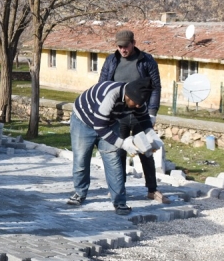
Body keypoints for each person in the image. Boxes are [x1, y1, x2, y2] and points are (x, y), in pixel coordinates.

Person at [66, 78, 160, 215]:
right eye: (137, 103)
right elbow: (99, 127)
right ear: (128, 96)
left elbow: (144, 119)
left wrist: (151, 137)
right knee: (81, 159)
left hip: (109, 123)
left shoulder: (138, 101)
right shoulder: (110, 95)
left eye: (141, 104)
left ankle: (120, 202)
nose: (139, 106)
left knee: (113, 161)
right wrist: (123, 143)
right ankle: (80, 193)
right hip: (83, 122)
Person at [99, 29, 170, 204]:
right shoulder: (111, 61)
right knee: (120, 151)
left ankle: (152, 190)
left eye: (126, 46)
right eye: (119, 46)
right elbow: (102, 86)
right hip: (118, 114)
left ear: (133, 43)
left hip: (141, 113)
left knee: (146, 150)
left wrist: (152, 112)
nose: (123, 49)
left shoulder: (146, 61)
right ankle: (119, 189)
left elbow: (156, 87)